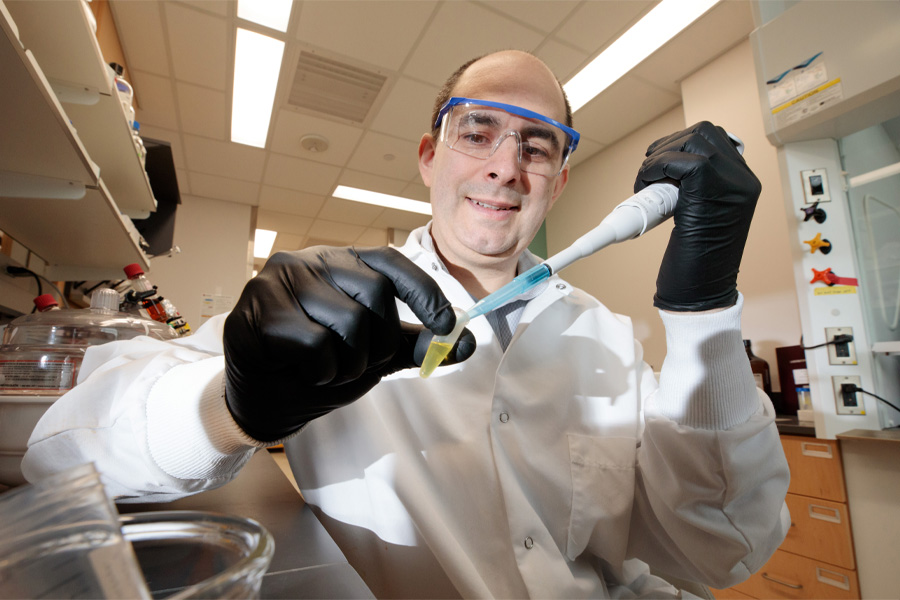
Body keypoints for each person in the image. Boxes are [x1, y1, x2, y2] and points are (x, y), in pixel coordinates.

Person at [23, 50, 790, 598]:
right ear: (430, 157)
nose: (504, 165)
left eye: (536, 145)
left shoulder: (607, 340)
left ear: (556, 183)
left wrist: (702, 315)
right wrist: (232, 406)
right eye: (478, 132)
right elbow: (60, 460)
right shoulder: (327, 303)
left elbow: (720, 551)